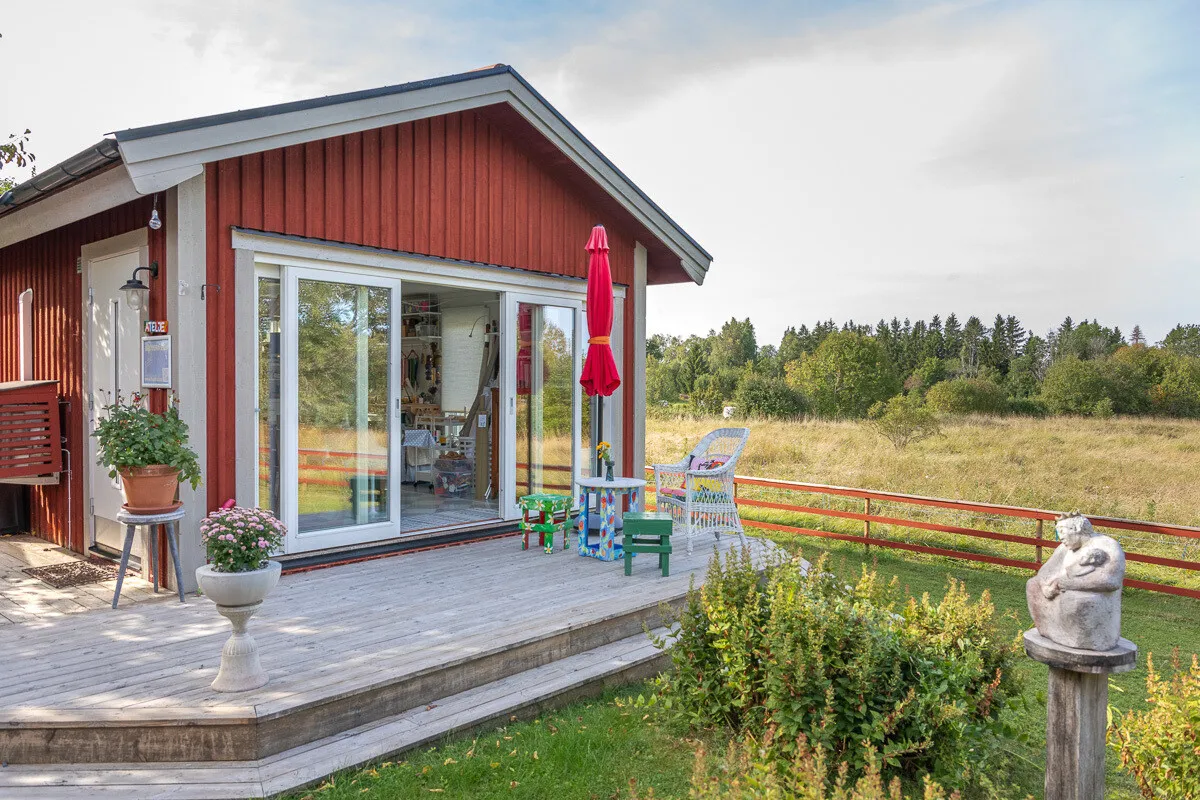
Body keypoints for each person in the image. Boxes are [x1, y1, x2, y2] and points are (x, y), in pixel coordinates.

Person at [1026, 513, 1125, 651]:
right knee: (1032, 585)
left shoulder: (1108, 545)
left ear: (1076, 529)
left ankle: (1083, 639)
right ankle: (1050, 630)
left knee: (1077, 599)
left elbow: (1112, 581)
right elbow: (1045, 571)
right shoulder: (1064, 548)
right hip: (1061, 589)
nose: (1060, 537)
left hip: (1094, 599)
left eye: (1062, 532)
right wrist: (1045, 587)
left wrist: (1069, 584)